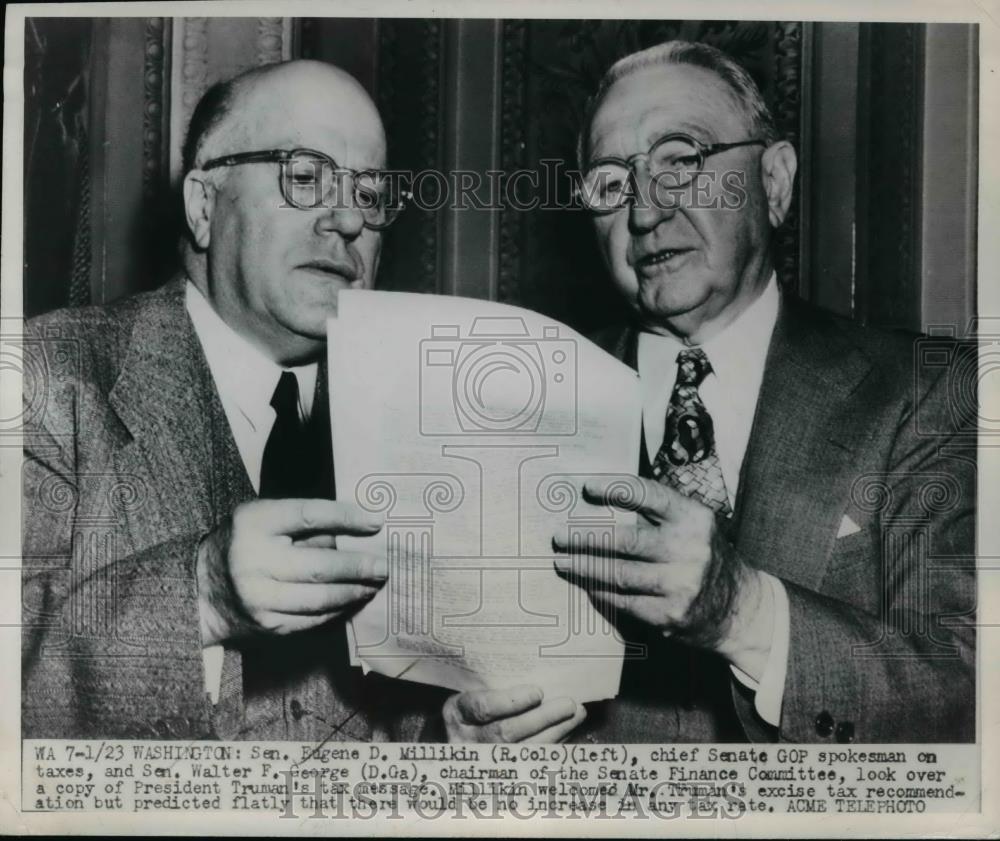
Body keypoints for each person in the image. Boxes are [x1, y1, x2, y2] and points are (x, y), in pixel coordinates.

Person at [446, 40, 975, 743]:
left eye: (680, 160)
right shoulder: (518, 402)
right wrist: (461, 743)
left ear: (775, 181)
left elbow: (966, 691)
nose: (644, 213)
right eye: (611, 183)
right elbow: (451, 676)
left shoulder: (929, 390)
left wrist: (742, 612)